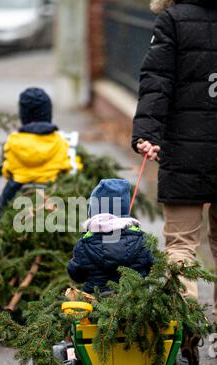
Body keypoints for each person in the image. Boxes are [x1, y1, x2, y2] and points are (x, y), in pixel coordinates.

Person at [132, 0, 217, 324]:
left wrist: (147, 134)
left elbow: (156, 81)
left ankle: (185, 323)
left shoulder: (173, 20)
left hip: (184, 150)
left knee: (181, 244)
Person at [0, 87, 81, 217]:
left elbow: (7, 169)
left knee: (3, 204)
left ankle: (2, 225)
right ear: (48, 114)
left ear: (23, 115)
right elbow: (71, 165)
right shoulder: (60, 140)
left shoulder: (12, 140)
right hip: (54, 187)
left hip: (18, 187)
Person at [67, 179, 153, 294]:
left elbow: (77, 276)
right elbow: (152, 268)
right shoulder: (142, 241)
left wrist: (73, 262)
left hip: (96, 301)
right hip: (135, 300)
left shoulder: (84, 244)